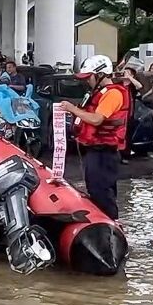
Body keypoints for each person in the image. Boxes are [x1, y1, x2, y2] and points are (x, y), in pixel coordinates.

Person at [56, 55, 129, 220]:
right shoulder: (97, 93)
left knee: (102, 191)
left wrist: (72, 109)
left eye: (89, 77)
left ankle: (110, 224)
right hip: (95, 150)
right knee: (94, 189)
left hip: (105, 152)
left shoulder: (113, 94)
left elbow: (97, 119)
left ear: (101, 74)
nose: (87, 81)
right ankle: (101, 222)